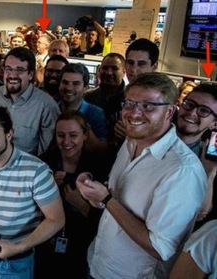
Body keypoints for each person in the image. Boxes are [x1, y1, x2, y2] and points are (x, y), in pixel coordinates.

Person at [76, 72, 207, 278]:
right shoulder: (130, 142)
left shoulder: (182, 170)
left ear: (169, 112)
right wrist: (96, 194)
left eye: (148, 106)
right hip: (98, 263)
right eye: (129, 103)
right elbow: (118, 201)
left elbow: (160, 248)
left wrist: (107, 199)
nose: (134, 113)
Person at [0, 106, 65, 279]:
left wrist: (18, 247)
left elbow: (57, 219)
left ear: (9, 134)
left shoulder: (36, 170)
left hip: (18, 262)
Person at [38, 110, 113, 279]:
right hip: (46, 243)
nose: (66, 142)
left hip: (82, 246)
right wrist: (47, 191)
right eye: (60, 135)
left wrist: (83, 206)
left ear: (85, 135)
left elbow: (108, 219)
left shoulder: (99, 166)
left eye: (73, 135)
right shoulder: (44, 162)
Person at [0, 47, 60, 156]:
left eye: (19, 70)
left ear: (30, 74)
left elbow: (46, 154)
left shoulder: (46, 105)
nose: (12, 75)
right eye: (8, 69)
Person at [175, 82, 217, 227]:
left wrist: (209, 173)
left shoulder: (208, 159)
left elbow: (201, 212)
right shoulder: (152, 139)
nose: (192, 113)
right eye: (189, 104)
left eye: (204, 111)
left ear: (214, 123)